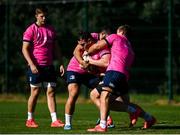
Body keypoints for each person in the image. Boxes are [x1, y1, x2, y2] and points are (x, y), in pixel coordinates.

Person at [85, 25, 156, 132]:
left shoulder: (116, 37)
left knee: (104, 97)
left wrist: (87, 54)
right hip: (123, 76)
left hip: (114, 72)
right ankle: (148, 118)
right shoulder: (130, 48)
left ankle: (103, 125)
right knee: (107, 99)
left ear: (121, 31)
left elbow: (97, 47)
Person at [22, 7, 65, 128]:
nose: (44, 18)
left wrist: (61, 63)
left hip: (49, 66)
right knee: (35, 92)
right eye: (42, 16)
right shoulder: (31, 30)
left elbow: (56, 48)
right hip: (36, 66)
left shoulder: (51, 29)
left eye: (45, 16)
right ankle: (29, 119)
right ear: (36, 16)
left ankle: (54, 120)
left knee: (51, 91)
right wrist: (31, 64)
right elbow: (24, 49)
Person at [64, 31, 113, 130]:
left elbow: (98, 66)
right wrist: (82, 62)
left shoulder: (103, 44)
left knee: (103, 91)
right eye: (80, 44)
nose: (81, 46)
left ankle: (105, 118)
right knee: (74, 93)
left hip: (89, 73)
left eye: (83, 44)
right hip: (74, 70)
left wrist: (93, 69)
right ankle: (67, 123)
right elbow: (75, 51)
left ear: (90, 41)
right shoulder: (92, 36)